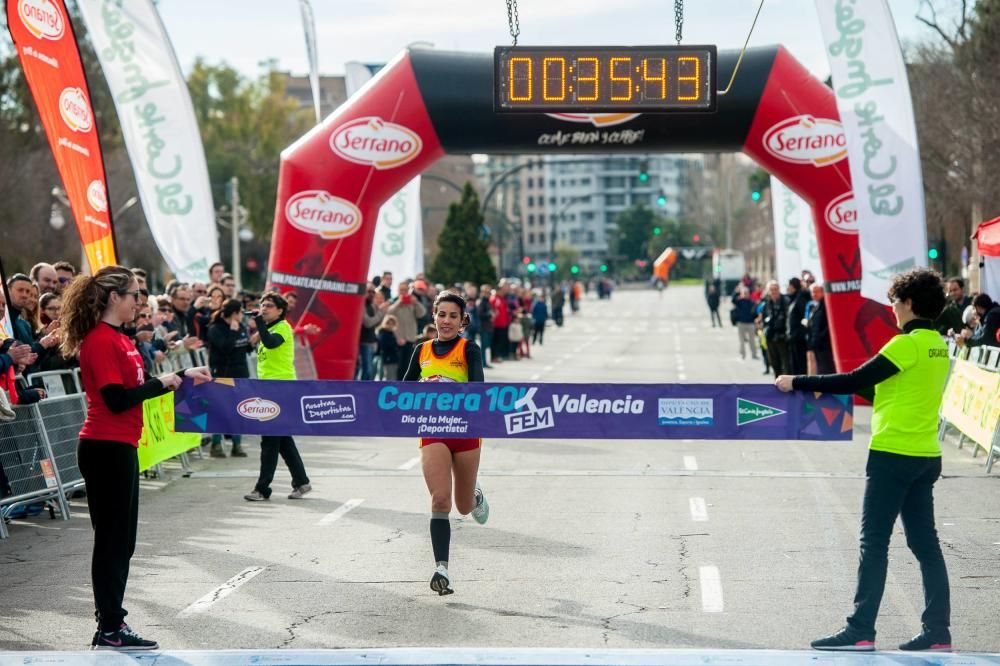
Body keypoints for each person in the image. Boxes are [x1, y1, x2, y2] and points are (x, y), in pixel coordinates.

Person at [776, 268, 952, 653]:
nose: (891, 309)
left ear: (908, 303)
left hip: (893, 454)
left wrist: (799, 382)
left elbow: (854, 380)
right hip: (926, 455)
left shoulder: (905, 345)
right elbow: (891, 392)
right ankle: (938, 632)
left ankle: (860, 630)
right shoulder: (939, 345)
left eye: (893, 301)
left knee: (873, 542)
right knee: (926, 546)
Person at [61, 266, 210, 650]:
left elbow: (134, 389)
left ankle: (110, 623)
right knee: (112, 541)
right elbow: (115, 399)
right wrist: (161, 383)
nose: (139, 301)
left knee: (122, 542)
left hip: (121, 446)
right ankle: (110, 626)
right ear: (115, 298)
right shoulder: (100, 341)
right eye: (134, 295)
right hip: (104, 446)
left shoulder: (120, 338)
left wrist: (179, 374)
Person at [401, 291, 489, 595]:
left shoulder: (469, 349)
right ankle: (442, 569)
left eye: (453, 316)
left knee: (463, 506)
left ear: (461, 320)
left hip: (465, 431)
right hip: (432, 430)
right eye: (442, 314)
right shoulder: (421, 351)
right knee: (441, 500)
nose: (446, 321)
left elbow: (478, 389)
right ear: (434, 316)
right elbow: (402, 391)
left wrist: (448, 390)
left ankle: (475, 496)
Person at [244, 292, 312, 501]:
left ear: (280, 310)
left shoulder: (282, 327)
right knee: (282, 440)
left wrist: (258, 322)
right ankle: (301, 482)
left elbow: (272, 343)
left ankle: (262, 488)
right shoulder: (269, 328)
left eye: (269, 306)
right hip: (268, 388)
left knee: (270, 440)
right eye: (262, 305)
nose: (263, 308)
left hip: (281, 389)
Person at [207, 299, 252, 457]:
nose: (242, 315)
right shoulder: (216, 329)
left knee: (238, 410)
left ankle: (237, 445)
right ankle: (216, 444)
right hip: (223, 374)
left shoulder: (242, 327)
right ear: (234, 313)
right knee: (220, 410)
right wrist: (233, 332)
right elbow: (225, 348)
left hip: (241, 374)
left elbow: (247, 347)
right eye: (240, 312)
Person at [761, 280, 789, 377]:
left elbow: (787, 319)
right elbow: (764, 319)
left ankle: (787, 387)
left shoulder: (785, 301)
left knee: (786, 364)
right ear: (768, 291)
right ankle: (778, 384)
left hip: (782, 338)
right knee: (774, 363)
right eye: (771, 290)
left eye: (775, 289)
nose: (774, 292)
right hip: (770, 338)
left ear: (779, 289)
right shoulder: (767, 303)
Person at [806, 283, 835, 374]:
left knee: (826, 370)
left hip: (824, 346)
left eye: (817, 292)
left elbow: (828, 325)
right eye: (812, 292)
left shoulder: (826, 305)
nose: (814, 294)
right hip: (818, 345)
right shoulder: (816, 306)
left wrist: (820, 338)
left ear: (822, 292)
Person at [786, 277, 810, 375]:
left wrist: (799, 333)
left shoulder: (800, 299)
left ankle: (802, 387)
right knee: (794, 365)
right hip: (793, 338)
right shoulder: (793, 298)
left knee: (800, 365)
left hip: (799, 338)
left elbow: (804, 317)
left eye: (789, 286)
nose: (788, 288)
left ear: (794, 287)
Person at [731, 286, 757, 361]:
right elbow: (733, 300)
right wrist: (736, 292)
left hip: (750, 323)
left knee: (752, 340)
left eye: (747, 293)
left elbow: (755, 312)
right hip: (741, 323)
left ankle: (754, 354)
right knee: (741, 340)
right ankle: (742, 355)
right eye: (744, 293)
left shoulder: (752, 302)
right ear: (741, 294)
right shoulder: (739, 301)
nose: (746, 294)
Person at [376, 315, 404, 380]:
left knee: (393, 375)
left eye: (392, 324)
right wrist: (397, 343)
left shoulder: (391, 333)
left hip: (393, 358)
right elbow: (384, 346)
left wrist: (398, 344)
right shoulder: (383, 333)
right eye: (388, 323)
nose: (390, 326)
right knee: (388, 375)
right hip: (387, 358)